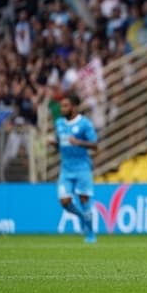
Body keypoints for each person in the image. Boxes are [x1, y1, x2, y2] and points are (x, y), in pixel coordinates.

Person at [50, 94, 98, 243]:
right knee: (64, 201)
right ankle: (82, 217)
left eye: (65, 106)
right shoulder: (59, 123)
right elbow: (61, 145)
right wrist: (54, 144)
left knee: (84, 200)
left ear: (74, 107)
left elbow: (95, 145)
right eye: (61, 106)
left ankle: (90, 234)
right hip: (66, 168)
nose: (62, 109)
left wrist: (78, 142)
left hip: (82, 167)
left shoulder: (84, 124)